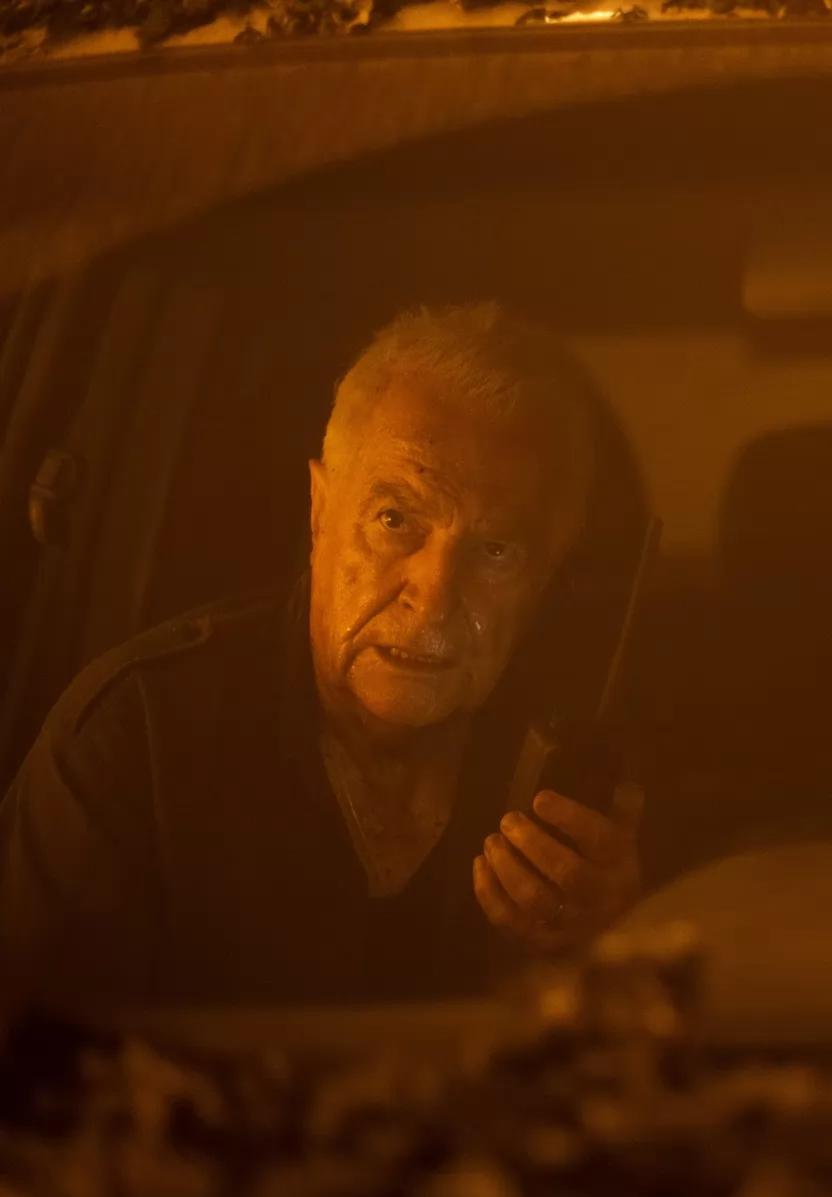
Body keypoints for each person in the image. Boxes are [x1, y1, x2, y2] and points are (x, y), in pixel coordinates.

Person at [0, 302, 649, 1005]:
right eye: (395, 519)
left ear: (548, 574)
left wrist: (601, 945)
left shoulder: (583, 780)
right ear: (319, 510)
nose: (433, 598)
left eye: (495, 550)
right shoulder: (132, 742)